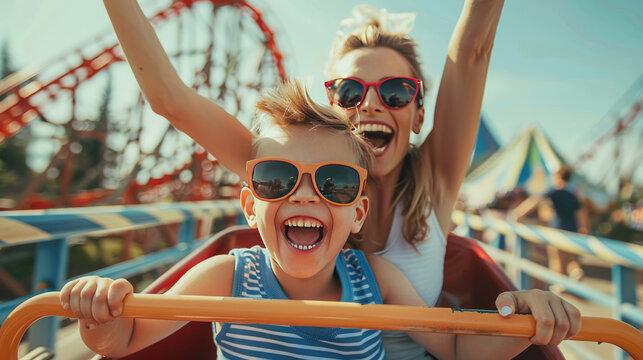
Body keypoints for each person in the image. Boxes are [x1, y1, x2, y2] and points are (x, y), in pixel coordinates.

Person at [60, 81, 581, 359]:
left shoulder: (374, 279)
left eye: (332, 183)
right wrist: (99, 314)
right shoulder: (227, 277)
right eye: (276, 179)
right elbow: (122, 342)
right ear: (250, 206)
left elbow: (457, 347)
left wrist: (527, 322)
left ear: (357, 211)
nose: (306, 195)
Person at [102, 0, 506, 357]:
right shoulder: (286, 173)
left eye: (396, 93)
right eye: (350, 92)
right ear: (331, 112)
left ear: (418, 114)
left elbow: (473, 51)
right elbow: (171, 100)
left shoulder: (436, 179)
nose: (369, 104)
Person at [514, 165, 590, 282]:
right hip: (572, 230)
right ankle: (576, 271)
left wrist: (519, 213)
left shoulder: (554, 191)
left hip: (557, 230)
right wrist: (584, 227)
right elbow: (581, 212)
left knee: (557, 260)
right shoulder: (573, 194)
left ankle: (558, 285)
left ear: (558, 177)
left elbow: (535, 200)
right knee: (571, 258)